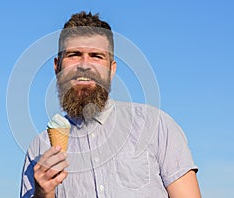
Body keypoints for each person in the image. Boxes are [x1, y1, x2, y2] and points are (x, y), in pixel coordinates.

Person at [20, 11, 201, 198]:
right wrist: (43, 194)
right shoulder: (39, 150)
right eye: (74, 54)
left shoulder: (155, 126)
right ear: (57, 67)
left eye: (96, 56)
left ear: (111, 69)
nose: (84, 65)